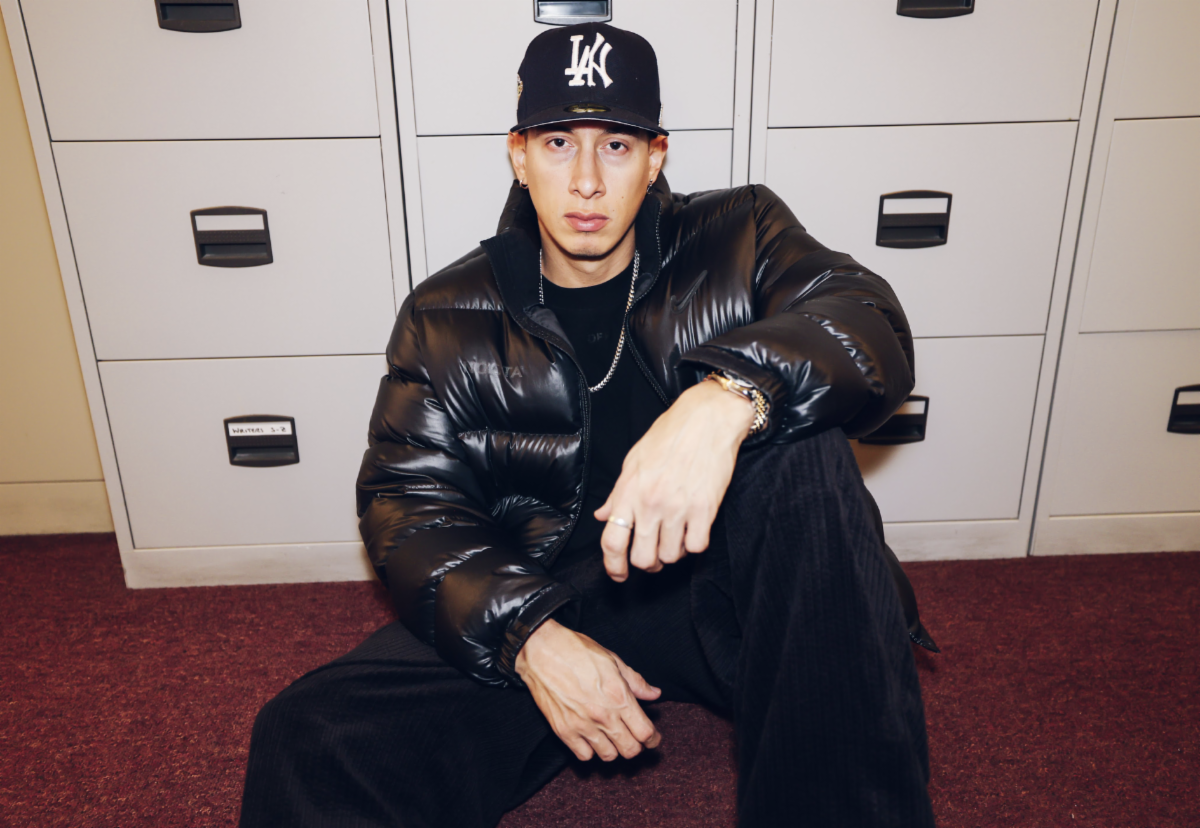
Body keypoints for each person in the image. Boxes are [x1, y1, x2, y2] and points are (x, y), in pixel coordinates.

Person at [240, 22, 938, 828]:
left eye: (615, 146)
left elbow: (868, 319)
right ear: (518, 156)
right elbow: (407, 505)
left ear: (655, 158)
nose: (585, 182)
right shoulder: (444, 313)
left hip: (734, 578)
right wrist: (531, 637)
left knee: (802, 446)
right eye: (557, 143)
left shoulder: (741, 233)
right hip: (555, 589)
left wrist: (726, 399)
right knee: (308, 735)